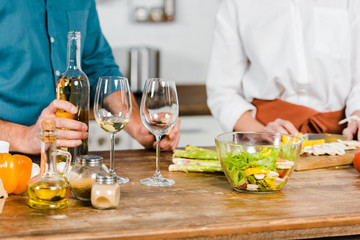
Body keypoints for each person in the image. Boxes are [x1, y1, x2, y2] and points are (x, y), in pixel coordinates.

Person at [0, 0, 180, 154]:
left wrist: (138, 125)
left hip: (71, 157)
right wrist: (24, 137)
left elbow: (99, 66)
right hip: (8, 160)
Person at [206, 0, 360, 140]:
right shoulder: (237, 4)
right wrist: (260, 133)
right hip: (265, 143)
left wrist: (357, 117)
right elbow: (223, 92)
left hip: (343, 138)